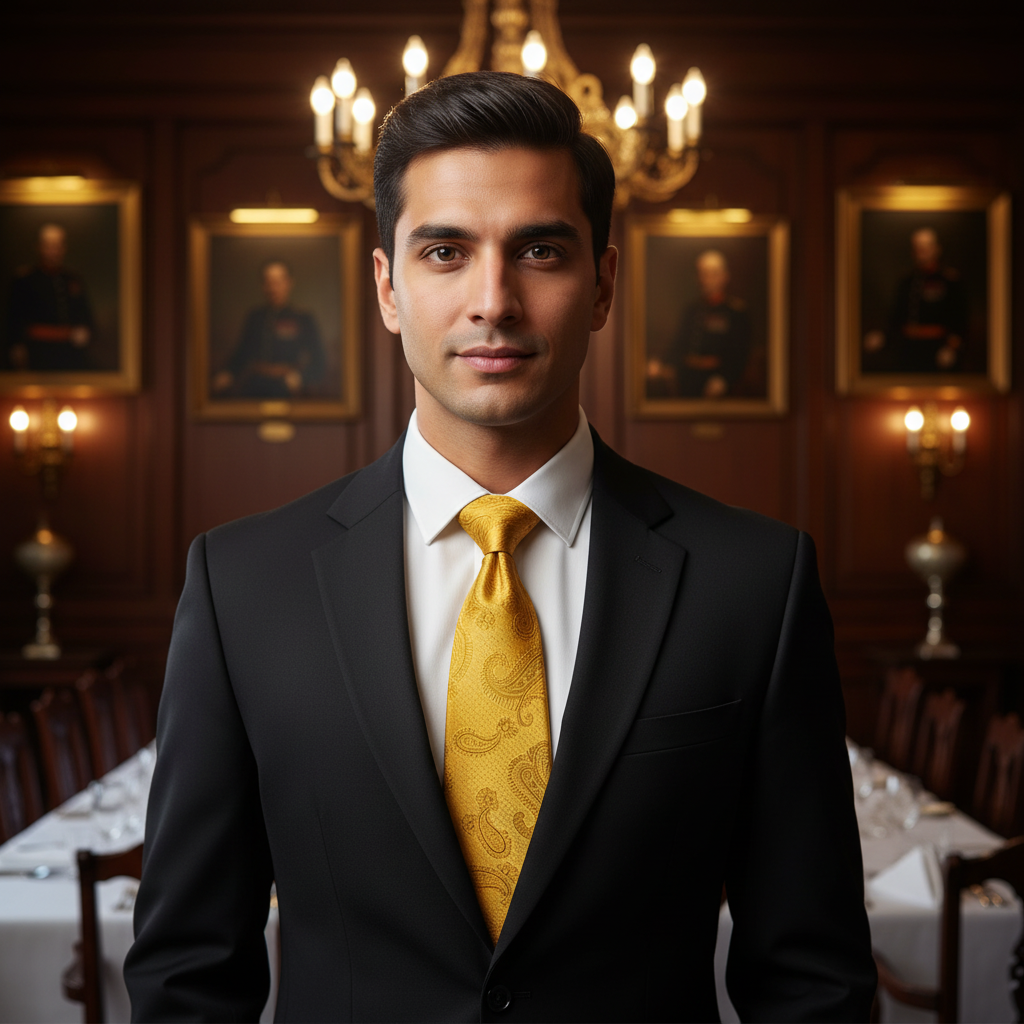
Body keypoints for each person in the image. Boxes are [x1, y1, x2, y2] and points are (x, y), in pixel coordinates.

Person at [125, 71, 874, 1022]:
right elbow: (187, 974)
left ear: (602, 284)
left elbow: (813, 981)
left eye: (540, 251)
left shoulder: (754, 583)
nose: (494, 301)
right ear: (388, 288)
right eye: (446, 251)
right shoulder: (242, 587)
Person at [211, 260, 326, 398]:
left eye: (278, 283)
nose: (273, 289)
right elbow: (241, 353)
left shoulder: (303, 318)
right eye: (268, 283)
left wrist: (301, 377)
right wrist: (228, 373)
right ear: (263, 286)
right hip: (256, 384)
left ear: (289, 283)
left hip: (288, 385)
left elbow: (319, 361)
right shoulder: (255, 317)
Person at [649, 249, 754, 398]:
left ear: (724, 277)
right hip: (687, 378)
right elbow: (678, 343)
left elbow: (739, 354)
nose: (706, 279)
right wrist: (661, 362)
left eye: (712, 274)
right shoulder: (692, 309)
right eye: (703, 273)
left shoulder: (736, 312)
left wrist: (724, 379)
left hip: (717, 379)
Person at [863, 226, 969, 373]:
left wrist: (951, 347)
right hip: (908, 349)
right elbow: (896, 317)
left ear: (936, 249)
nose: (921, 251)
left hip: (937, 348)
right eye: (918, 248)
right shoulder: (906, 281)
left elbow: (960, 320)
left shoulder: (949, 281)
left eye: (926, 247)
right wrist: (882, 335)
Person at [5, 223, 95, 371]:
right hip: (37, 353)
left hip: (70, 353)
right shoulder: (25, 280)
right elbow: (15, 321)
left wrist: (83, 332)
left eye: (57, 246)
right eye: (48, 246)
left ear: (64, 248)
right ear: (39, 247)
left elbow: (85, 316)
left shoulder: (72, 278)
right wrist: (17, 347)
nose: (53, 251)